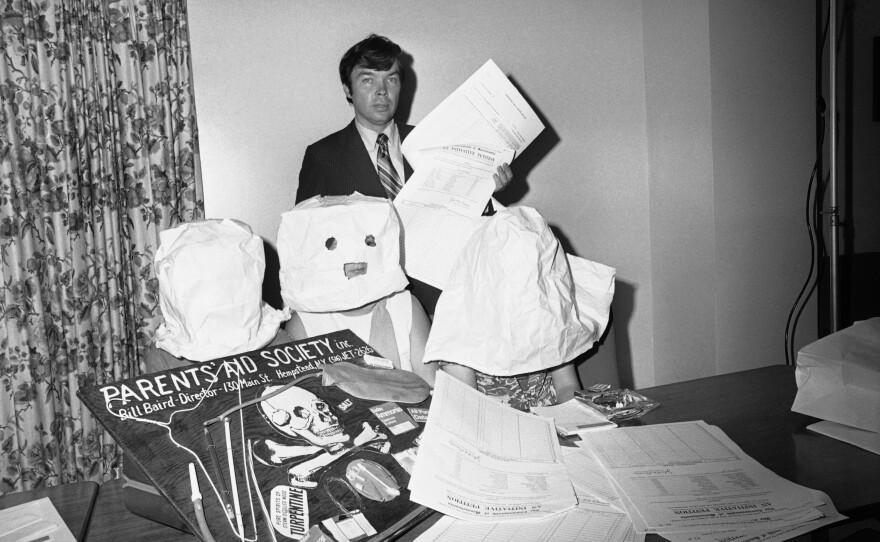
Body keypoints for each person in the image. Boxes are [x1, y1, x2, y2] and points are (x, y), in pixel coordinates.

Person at [295, 34, 513, 315]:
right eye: (368, 80)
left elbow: (464, 226)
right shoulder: (322, 156)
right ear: (348, 90)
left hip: (442, 302)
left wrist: (484, 193)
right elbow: (305, 245)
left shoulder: (436, 143)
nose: (382, 90)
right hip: (366, 309)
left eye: (392, 79)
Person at [276, 193, 438, 387]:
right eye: (333, 246)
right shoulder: (304, 322)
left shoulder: (405, 306)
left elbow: (431, 384)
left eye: (368, 242)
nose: (355, 258)